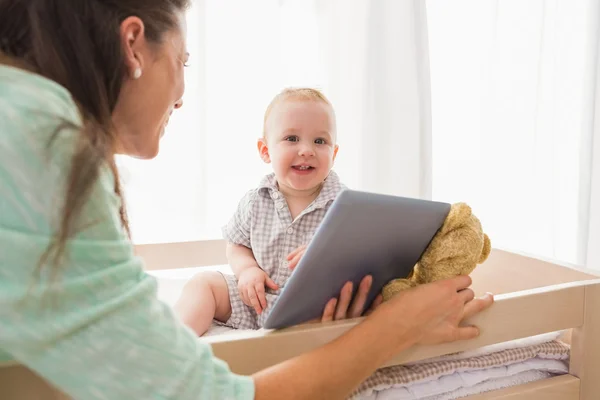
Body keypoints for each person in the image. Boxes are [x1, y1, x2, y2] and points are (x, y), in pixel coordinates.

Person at [0, 1, 494, 399]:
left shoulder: (22, 110)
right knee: (206, 284)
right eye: (183, 61)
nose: (181, 95)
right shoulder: (42, 138)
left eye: (321, 142)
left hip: (290, 305)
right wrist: (397, 328)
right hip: (252, 294)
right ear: (133, 45)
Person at [174, 87, 380, 336]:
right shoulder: (255, 201)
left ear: (334, 154)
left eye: (320, 141)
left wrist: (327, 258)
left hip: (312, 311)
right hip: (256, 301)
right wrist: (248, 270)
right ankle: (174, 344)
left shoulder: (345, 207)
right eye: (292, 139)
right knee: (203, 283)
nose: (306, 150)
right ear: (265, 150)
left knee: (359, 310)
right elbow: (237, 245)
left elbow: (361, 262)